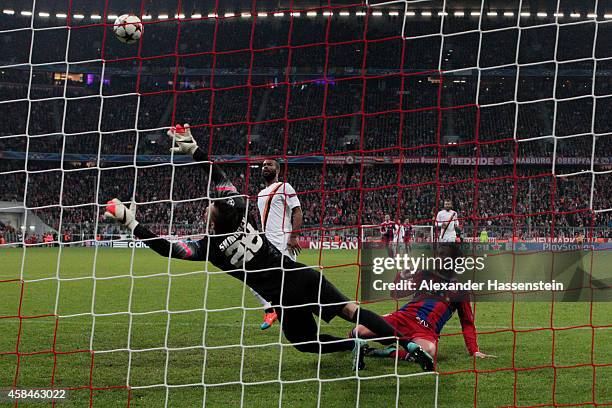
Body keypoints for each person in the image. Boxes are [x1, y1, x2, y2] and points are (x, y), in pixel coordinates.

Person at [104, 124, 429, 371]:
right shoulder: (243, 211)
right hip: (302, 278)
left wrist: (133, 224)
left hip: (285, 298)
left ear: (213, 220)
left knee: (308, 341)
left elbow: (168, 249)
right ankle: (400, 345)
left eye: (207, 208)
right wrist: (195, 150)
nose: (206, 208)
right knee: (345, 315)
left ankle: (361, 346)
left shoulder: (210, 249)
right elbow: (217, 174)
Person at [349, 244, 496, 369]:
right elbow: (396, 294)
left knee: (428, 351)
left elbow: (467, 323)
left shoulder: (460, 289)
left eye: (443, 255)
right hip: (403, 317)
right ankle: (380, 342)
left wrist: (474, 351)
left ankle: (385, 352)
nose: (438, 257)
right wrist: (401, 275)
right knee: (357, 331)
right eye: (438, 254)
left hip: (425, 330)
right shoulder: (425, 275)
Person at [250, 158, 304, 330]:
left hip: (283, 243)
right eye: (264, 165)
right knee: (253, 279)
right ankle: (270, 310)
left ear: (278, 170)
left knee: (289, 284)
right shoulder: (260, 194)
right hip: (267, 245)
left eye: (270, 164)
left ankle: (297, 315)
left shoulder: (285, 187)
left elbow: (297, 211)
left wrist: (294, 236)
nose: (265, 167)